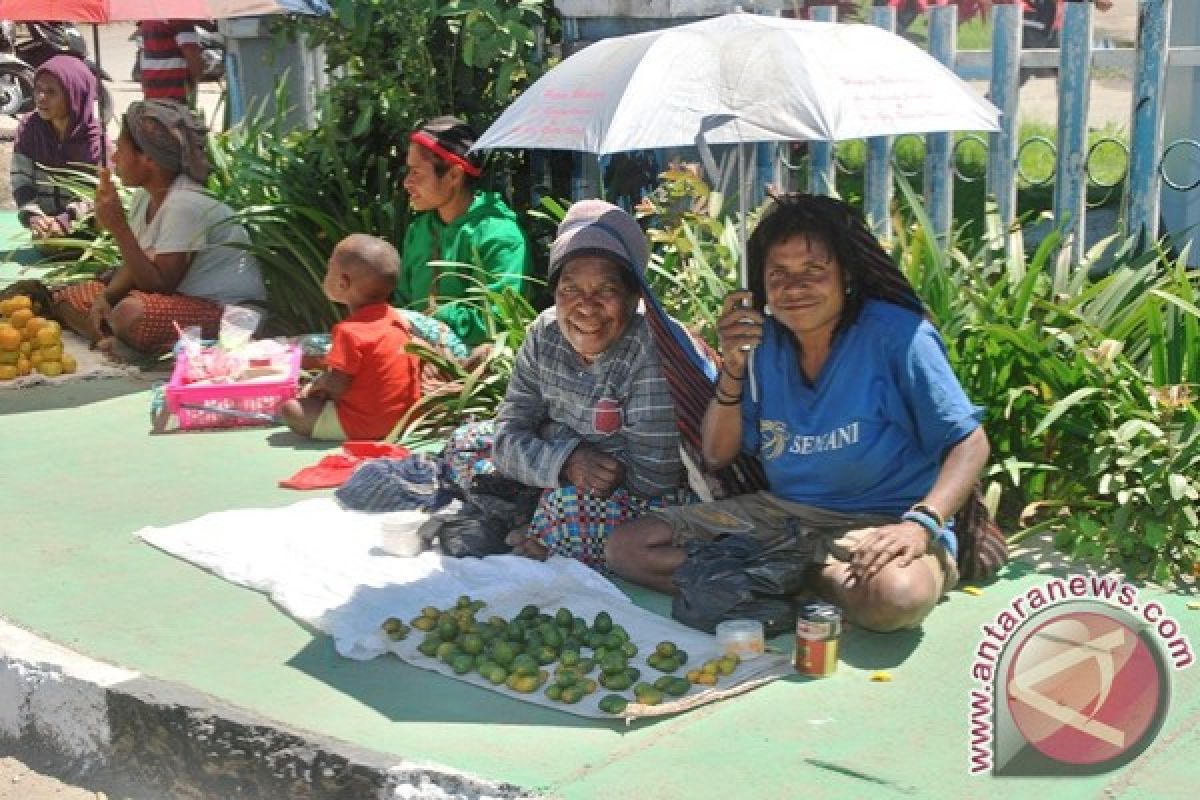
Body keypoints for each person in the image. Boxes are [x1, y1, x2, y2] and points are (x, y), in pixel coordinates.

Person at [607, 193, 990, 632]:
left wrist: (920, 526)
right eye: (778, 275)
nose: (795, 288)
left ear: (846, 276)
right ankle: (803, 583)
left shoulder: (899, 336)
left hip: (883, 519)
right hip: (783, 518)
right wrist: (733, 366)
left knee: (897, 598)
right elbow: (716, 454)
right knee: (630, 548)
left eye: (814, 271)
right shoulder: (761, 343)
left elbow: (970, 442)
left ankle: (775, 584)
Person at [490, 199, 688, 566]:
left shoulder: (651, 347)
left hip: (643, 503)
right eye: (570, 290)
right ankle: (537, 526)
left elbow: (654, 480)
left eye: (605, 291)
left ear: (634, 297)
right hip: (570, 473)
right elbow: (506, 435)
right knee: (466, 443)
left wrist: (552, 444)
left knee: (567, 514)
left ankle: (539, 528)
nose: (586, 306)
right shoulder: (544, 333)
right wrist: (566, 458)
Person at [53, 100, 266, 356]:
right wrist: (106, 297)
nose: (114, 157)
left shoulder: (184, 205)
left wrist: (119, 227)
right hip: (175, 302)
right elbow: (137, 263)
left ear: (148, 158)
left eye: (121, 149)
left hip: (226, 311)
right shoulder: (146, 197)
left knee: (130, 314)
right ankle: (116, 338)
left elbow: (160, 284)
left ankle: (121, 338)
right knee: (72, 296)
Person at [397, 116, 532, 349]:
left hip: (476, 374)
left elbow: (497, 321)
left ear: (454, 175)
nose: (407, 182)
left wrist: (428, 320)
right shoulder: (418, 231)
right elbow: (401, 301)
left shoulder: (500, 236)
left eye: (416, 172)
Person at [281, 235, 422, 441]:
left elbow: (338, 385)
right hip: (404, 421)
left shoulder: (349, 332)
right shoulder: (397, 319)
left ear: (342, 283)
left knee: (291, 409)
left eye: (330, 269)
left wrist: (316, 385)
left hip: (366, 426)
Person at [10, 55, 107, 241]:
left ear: (74, 95)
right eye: (38, 89)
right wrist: (34, 216)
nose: (40, 97)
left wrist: (66, 220)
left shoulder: (97, 140)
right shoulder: (29, 128)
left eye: (51, 92)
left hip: (85, 233)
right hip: (45, 230)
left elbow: (98, 193)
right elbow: (21, 179)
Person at [137, 20, 205, 103]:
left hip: (152, 92)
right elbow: (192, 54)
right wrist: (195, 78)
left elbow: (142, 56)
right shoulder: (181, 21)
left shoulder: (148, 21)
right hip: (173, 92)